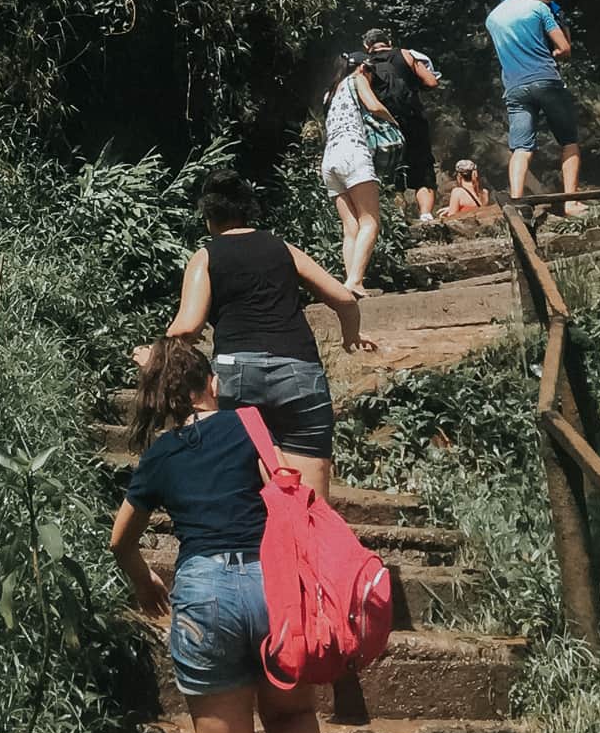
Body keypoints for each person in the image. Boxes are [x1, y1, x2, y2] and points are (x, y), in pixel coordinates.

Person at [111, 339, 341, 733]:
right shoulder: (247, 425)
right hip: (270, 586)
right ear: (210, 384)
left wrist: (144, 579)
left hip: (202, 599)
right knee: (291, 715)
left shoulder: (159, 456)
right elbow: (287, 496)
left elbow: (119, 539)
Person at [158, 170, 376, 502]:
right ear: (249, 210)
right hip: (299, 370)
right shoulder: (283, 249)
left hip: (237, 372)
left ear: (209, 218)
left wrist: (159, 351)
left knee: (244, 495)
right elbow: (344, 299)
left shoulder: (206, 256)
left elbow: (188, 327)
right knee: (310, 504)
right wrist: (351, 336)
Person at [483, 0, 587, 215]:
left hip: (515, 87)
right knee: (569, 141)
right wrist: (553, 54)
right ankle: (571, 201)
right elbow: (564, 48)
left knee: (521, 147)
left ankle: (517, 202)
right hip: (545, 80)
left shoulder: (492, 19)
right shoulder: (537, 8)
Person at [319, 51, 395, 295]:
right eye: (372, 74)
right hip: (352, 152)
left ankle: (349, 283)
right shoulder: (357, 79)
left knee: (350, 226)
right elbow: (373, 106)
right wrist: (393, 122)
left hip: (330, 160)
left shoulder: (329, 94)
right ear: (364, 67)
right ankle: (355, 281)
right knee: (370, 221)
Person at [359, 27, 442, 227]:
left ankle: (398, 218)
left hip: (384, 126)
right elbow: (431, 82)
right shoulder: (405, 54)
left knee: (391, 171)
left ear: (367, 46)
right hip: (413, 120)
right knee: (422, 167)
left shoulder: (364, 65)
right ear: (389, 41)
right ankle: (426, 217)